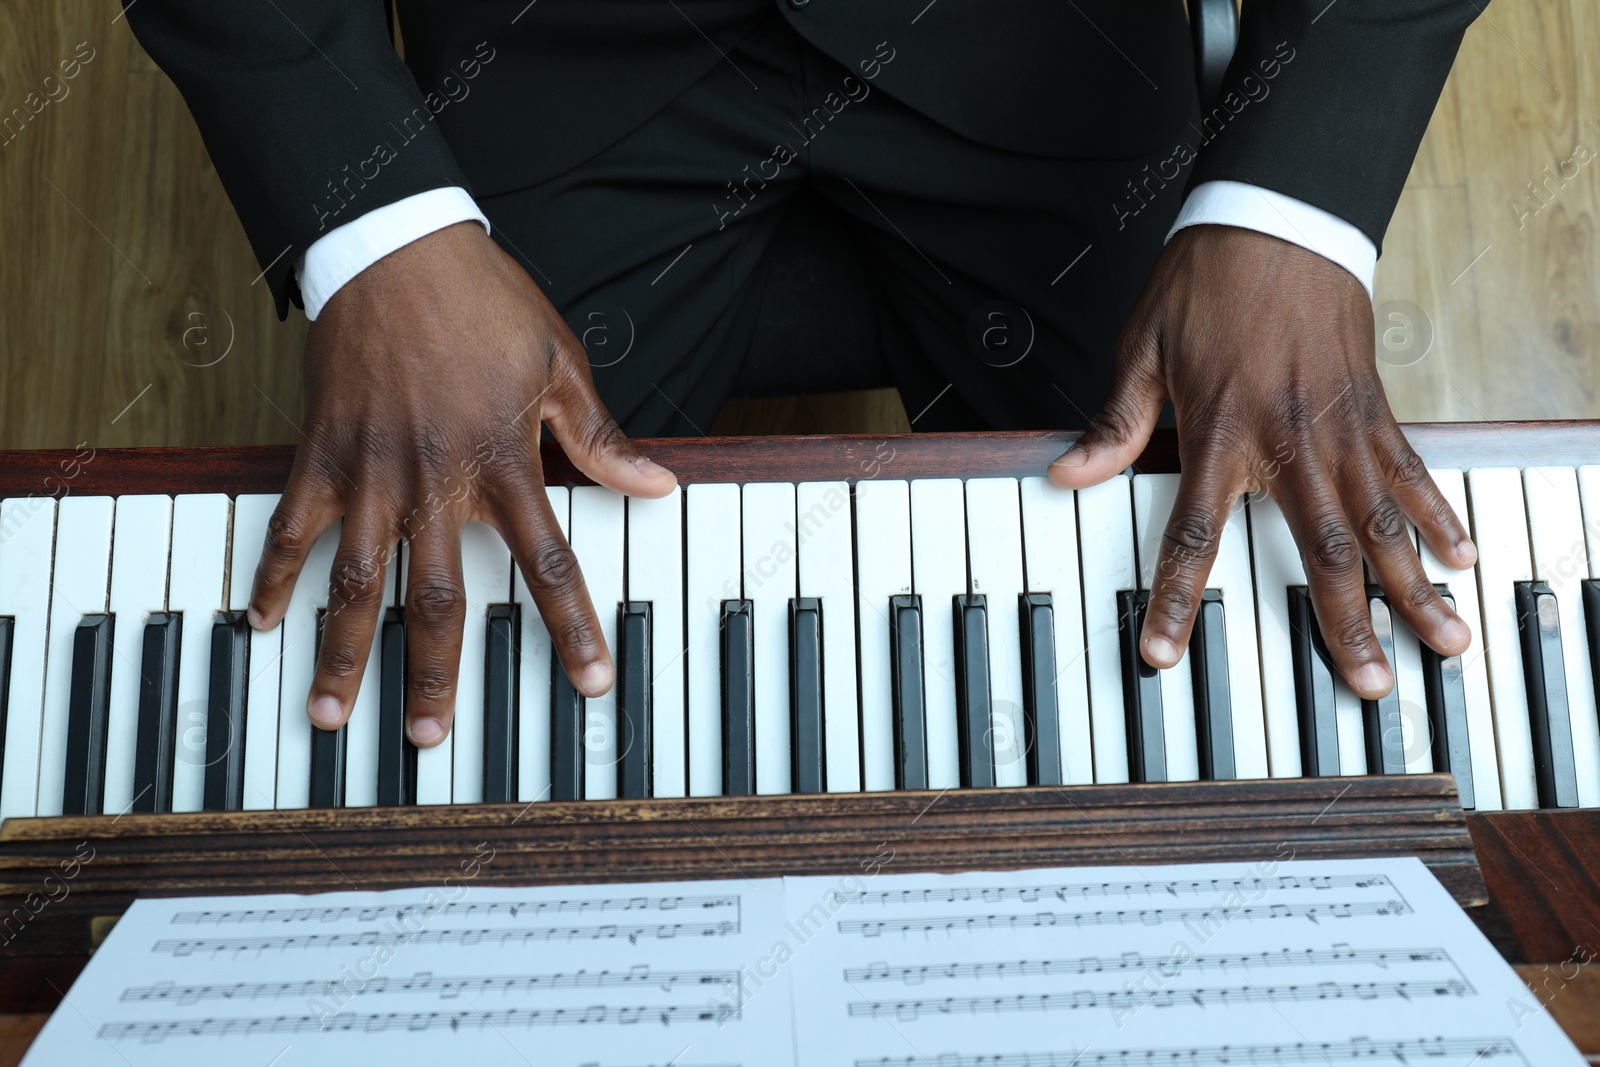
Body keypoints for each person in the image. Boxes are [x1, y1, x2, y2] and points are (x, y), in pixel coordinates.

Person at [126, 0, 1484, 751]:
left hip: (1059, 49)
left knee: (1205, 671)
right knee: (470, 685)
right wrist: (377, 228)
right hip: (552, 40)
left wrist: (1291, 206)